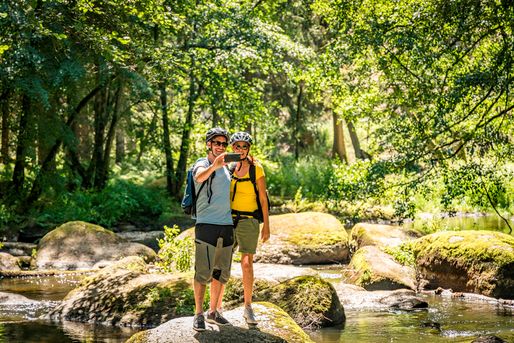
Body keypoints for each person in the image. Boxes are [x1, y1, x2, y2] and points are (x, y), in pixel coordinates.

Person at [215, 131, 270, 325]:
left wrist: (266, 226)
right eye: (237, 146)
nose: (240, 150)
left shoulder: (257, 169)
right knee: (221, 263)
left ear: (249, 149)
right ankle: (216, 307)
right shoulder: (227, 167)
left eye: (244, 147)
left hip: (249, 221)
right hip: (228, 220)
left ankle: (248, 307)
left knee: (247, 263)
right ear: (232, 148)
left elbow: (263, 199)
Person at [191, 127, 234, 332]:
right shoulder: (203, 163)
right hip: (206, 224)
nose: (220, 147)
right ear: (209, 144)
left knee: (221, 272)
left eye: (224, 144)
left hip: (226, 225)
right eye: (217, 143)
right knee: (202, 272)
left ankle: (214, 311)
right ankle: (198, 314)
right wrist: (215, 165)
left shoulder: (228, 168)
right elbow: (199, 177)